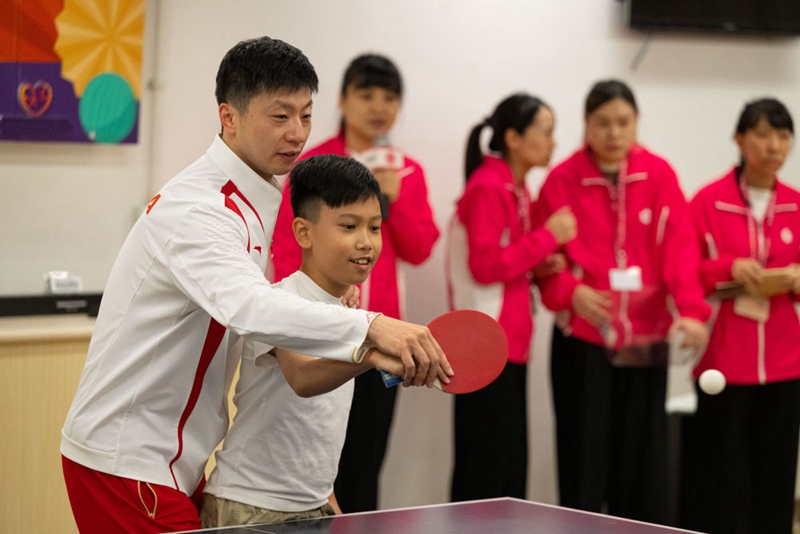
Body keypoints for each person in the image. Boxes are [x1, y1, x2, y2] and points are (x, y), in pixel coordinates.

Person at [59, 37, 451, 534]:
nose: (296, 134)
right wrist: (371, 327)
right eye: (279, 116)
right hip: (127, 458)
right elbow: (248, 308)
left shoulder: (253, 197)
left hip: (174, 458)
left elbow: (285, 357)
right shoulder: (201, 210)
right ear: (229, 117)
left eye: (305, 116)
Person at [535, 79, 710, 524]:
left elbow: (681, 249)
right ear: (587, 127)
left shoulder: (660, 175)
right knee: (584, 466)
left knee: (645, 471)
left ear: (636, 124)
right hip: (584, 344)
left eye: (623, 122)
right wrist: (570, 293)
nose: (614, 132)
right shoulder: (562, 180)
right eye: (603, 123)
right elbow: (544, 261)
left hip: (647, 345)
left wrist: (691, 312)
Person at [271, 53, 440, 512]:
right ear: (343, 100)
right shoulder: (313, 165)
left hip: (385, 339)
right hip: (318, 336)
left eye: (389, 97)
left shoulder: (407, 172)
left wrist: (392, 200)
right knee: (320, 460)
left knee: (368, 460)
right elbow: (289, 250)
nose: (378, 106)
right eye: (366, 94)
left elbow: (421, 247)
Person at [202, 154, 400, 527]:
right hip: (249, 507)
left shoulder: (346, 313)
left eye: (374, 228)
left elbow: (315, 429)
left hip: (312, 507)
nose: (366, 242)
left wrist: (328, 501)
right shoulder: (280, 304)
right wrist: (371, 353)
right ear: (303, 233)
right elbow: (303, 379)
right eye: (348, 226)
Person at [445, 93, 575, 501]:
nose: (554, 143)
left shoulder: (514, 188)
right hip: (484, 344)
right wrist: (549, 236)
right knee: (486, 469)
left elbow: (503, 263)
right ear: (515, 138)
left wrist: (539, 262)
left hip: (506, 344)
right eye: (547, 133)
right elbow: (484, 266)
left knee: (506, 470)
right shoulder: (489, 186)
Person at [680, 98, 800, 534]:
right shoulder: (707, 202)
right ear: (740, 138)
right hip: (723, 360)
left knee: (776, 474)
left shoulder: (796, 204)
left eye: (784, 136)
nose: (775, 146)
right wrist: (726, 267)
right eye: (765, 134)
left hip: (786, 363)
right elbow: (684, 268)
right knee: (720, 478)